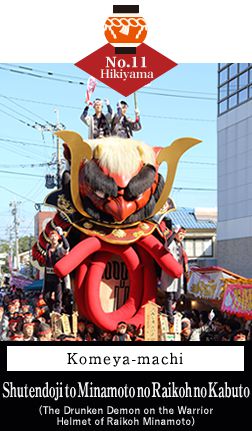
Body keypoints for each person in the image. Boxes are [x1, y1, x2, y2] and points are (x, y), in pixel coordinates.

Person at [160, 226, 188, 324]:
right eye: (180, 234)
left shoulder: (181, 245)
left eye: (183, 235)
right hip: (170, 271)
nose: (181, 236)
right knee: (170, 295)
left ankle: (168, 310)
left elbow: (184, 258)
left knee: (177, 295)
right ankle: (169, 315)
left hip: (178, 273)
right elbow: (167, 245)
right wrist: (173, 233)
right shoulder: (171, 242)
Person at [43, 227, 70, 314]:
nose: (53, 238)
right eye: (51, 236)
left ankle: (58, 311)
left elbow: (67, 248)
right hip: (48, 277)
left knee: (58, 297)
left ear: (58, 238)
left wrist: (62, 235)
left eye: (55, 236)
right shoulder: (48, 248)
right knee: (45, 297)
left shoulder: (60, 249)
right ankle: (53, 310)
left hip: (57, 277)